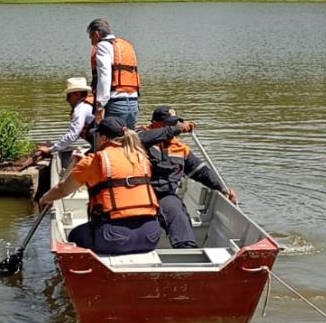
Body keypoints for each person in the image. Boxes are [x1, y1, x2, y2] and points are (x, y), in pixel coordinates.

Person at [37, 115, 160, 256]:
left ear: (103, 138)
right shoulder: (142, 157)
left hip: (114, 238)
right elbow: (117, 174)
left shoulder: (93, 161)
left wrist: (44, 199)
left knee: (75, 236)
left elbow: (63, 189)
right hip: (150, 235)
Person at [137, 105, 237, 249]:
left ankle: (187, 251)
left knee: (178, 213)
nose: (172, 126)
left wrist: (223, 190)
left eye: (174, 123)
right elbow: (141, 138)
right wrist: (177, 129)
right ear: (155, 123)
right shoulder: (138, 137)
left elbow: (201, 172)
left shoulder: (180, 148)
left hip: (164, 195)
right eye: (168, 123)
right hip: (138, 194)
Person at [87, 17, 140, 129]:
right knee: (127, 143)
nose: (92, 42)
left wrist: (100, 105)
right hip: (134, 102)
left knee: (105, 141)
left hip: (115, 103)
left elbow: (104, 76)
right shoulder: (127, 46)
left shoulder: (103, 46)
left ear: (96, 34)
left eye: (91, 37)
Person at [35, 78, 95, 170]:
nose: (67, 99)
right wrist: (56, 146)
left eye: (69, 95)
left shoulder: (81, 109)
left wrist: (51, 150)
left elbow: (73, 135)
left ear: (77, 94)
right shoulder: (87, 105)